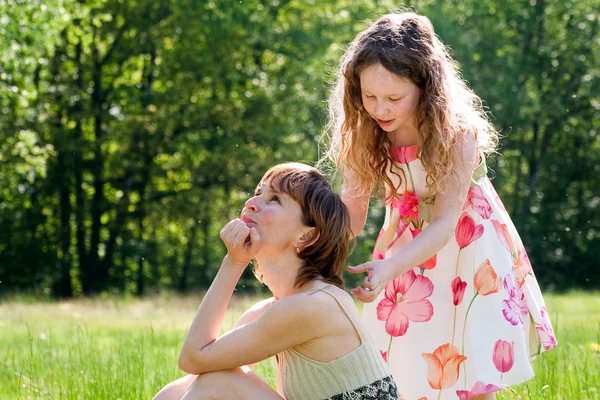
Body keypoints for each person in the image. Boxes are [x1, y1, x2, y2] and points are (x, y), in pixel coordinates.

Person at [323, 12, 557, 400]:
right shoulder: (365, 134)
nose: (380, 109)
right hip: (405, 251)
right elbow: (351, 215)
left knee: (471, 371)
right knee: (407, 365)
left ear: (426, 87)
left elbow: (446, 223)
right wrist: (311, 256)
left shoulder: (456, 136)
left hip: (468, 249)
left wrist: (388, 268)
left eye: (394, 98)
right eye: (369, 97)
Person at [153, 162, 400, 400]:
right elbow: (198, 370)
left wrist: (234, 262)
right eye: (257, 193)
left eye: (274, 199)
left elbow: (192, 357)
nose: (250, 203)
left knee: (220, 382)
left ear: (307, 235)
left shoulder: (313, 305)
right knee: (213, 377)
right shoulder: (268, 311)